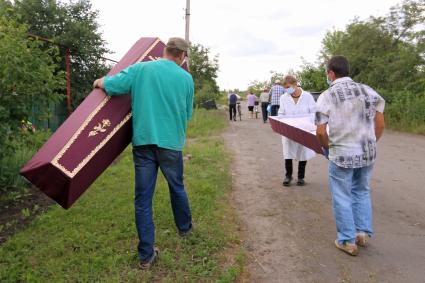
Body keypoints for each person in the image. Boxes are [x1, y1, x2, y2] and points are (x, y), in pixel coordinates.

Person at [92, 37, 194, 269]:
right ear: (181, 56)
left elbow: (114, 84)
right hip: (171, 143)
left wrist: (100, 81)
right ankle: (185, 228)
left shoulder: (141, 68)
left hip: (144, 142)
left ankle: (146, 255)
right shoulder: (186, 78)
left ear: (166, 50)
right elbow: (187, 114)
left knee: (143, 199)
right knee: (177, 186)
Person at [316, 55, 385, 256]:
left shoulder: (327, 96)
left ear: (331, 73)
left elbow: (320, 132)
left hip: (342, 154)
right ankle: (362, 233)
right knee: (361, 190)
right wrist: (371, 143)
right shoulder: (369, 91)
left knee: (341, 195)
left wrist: (327, 148)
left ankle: (347, 240)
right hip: (367, 153)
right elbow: (379, 123)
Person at [279, 75, 316, 186]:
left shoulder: (307, 96)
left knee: (303, 152)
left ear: (295, 84)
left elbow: (314, 112)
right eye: (285, 88)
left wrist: (308, 122)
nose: (287, 90)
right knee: (288, 153)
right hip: (289, 130)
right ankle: (288, 176)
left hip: (304, 129)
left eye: (288, 87)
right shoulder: (284, 97)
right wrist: (281, 120)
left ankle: (301, 177)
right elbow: (281, 112)